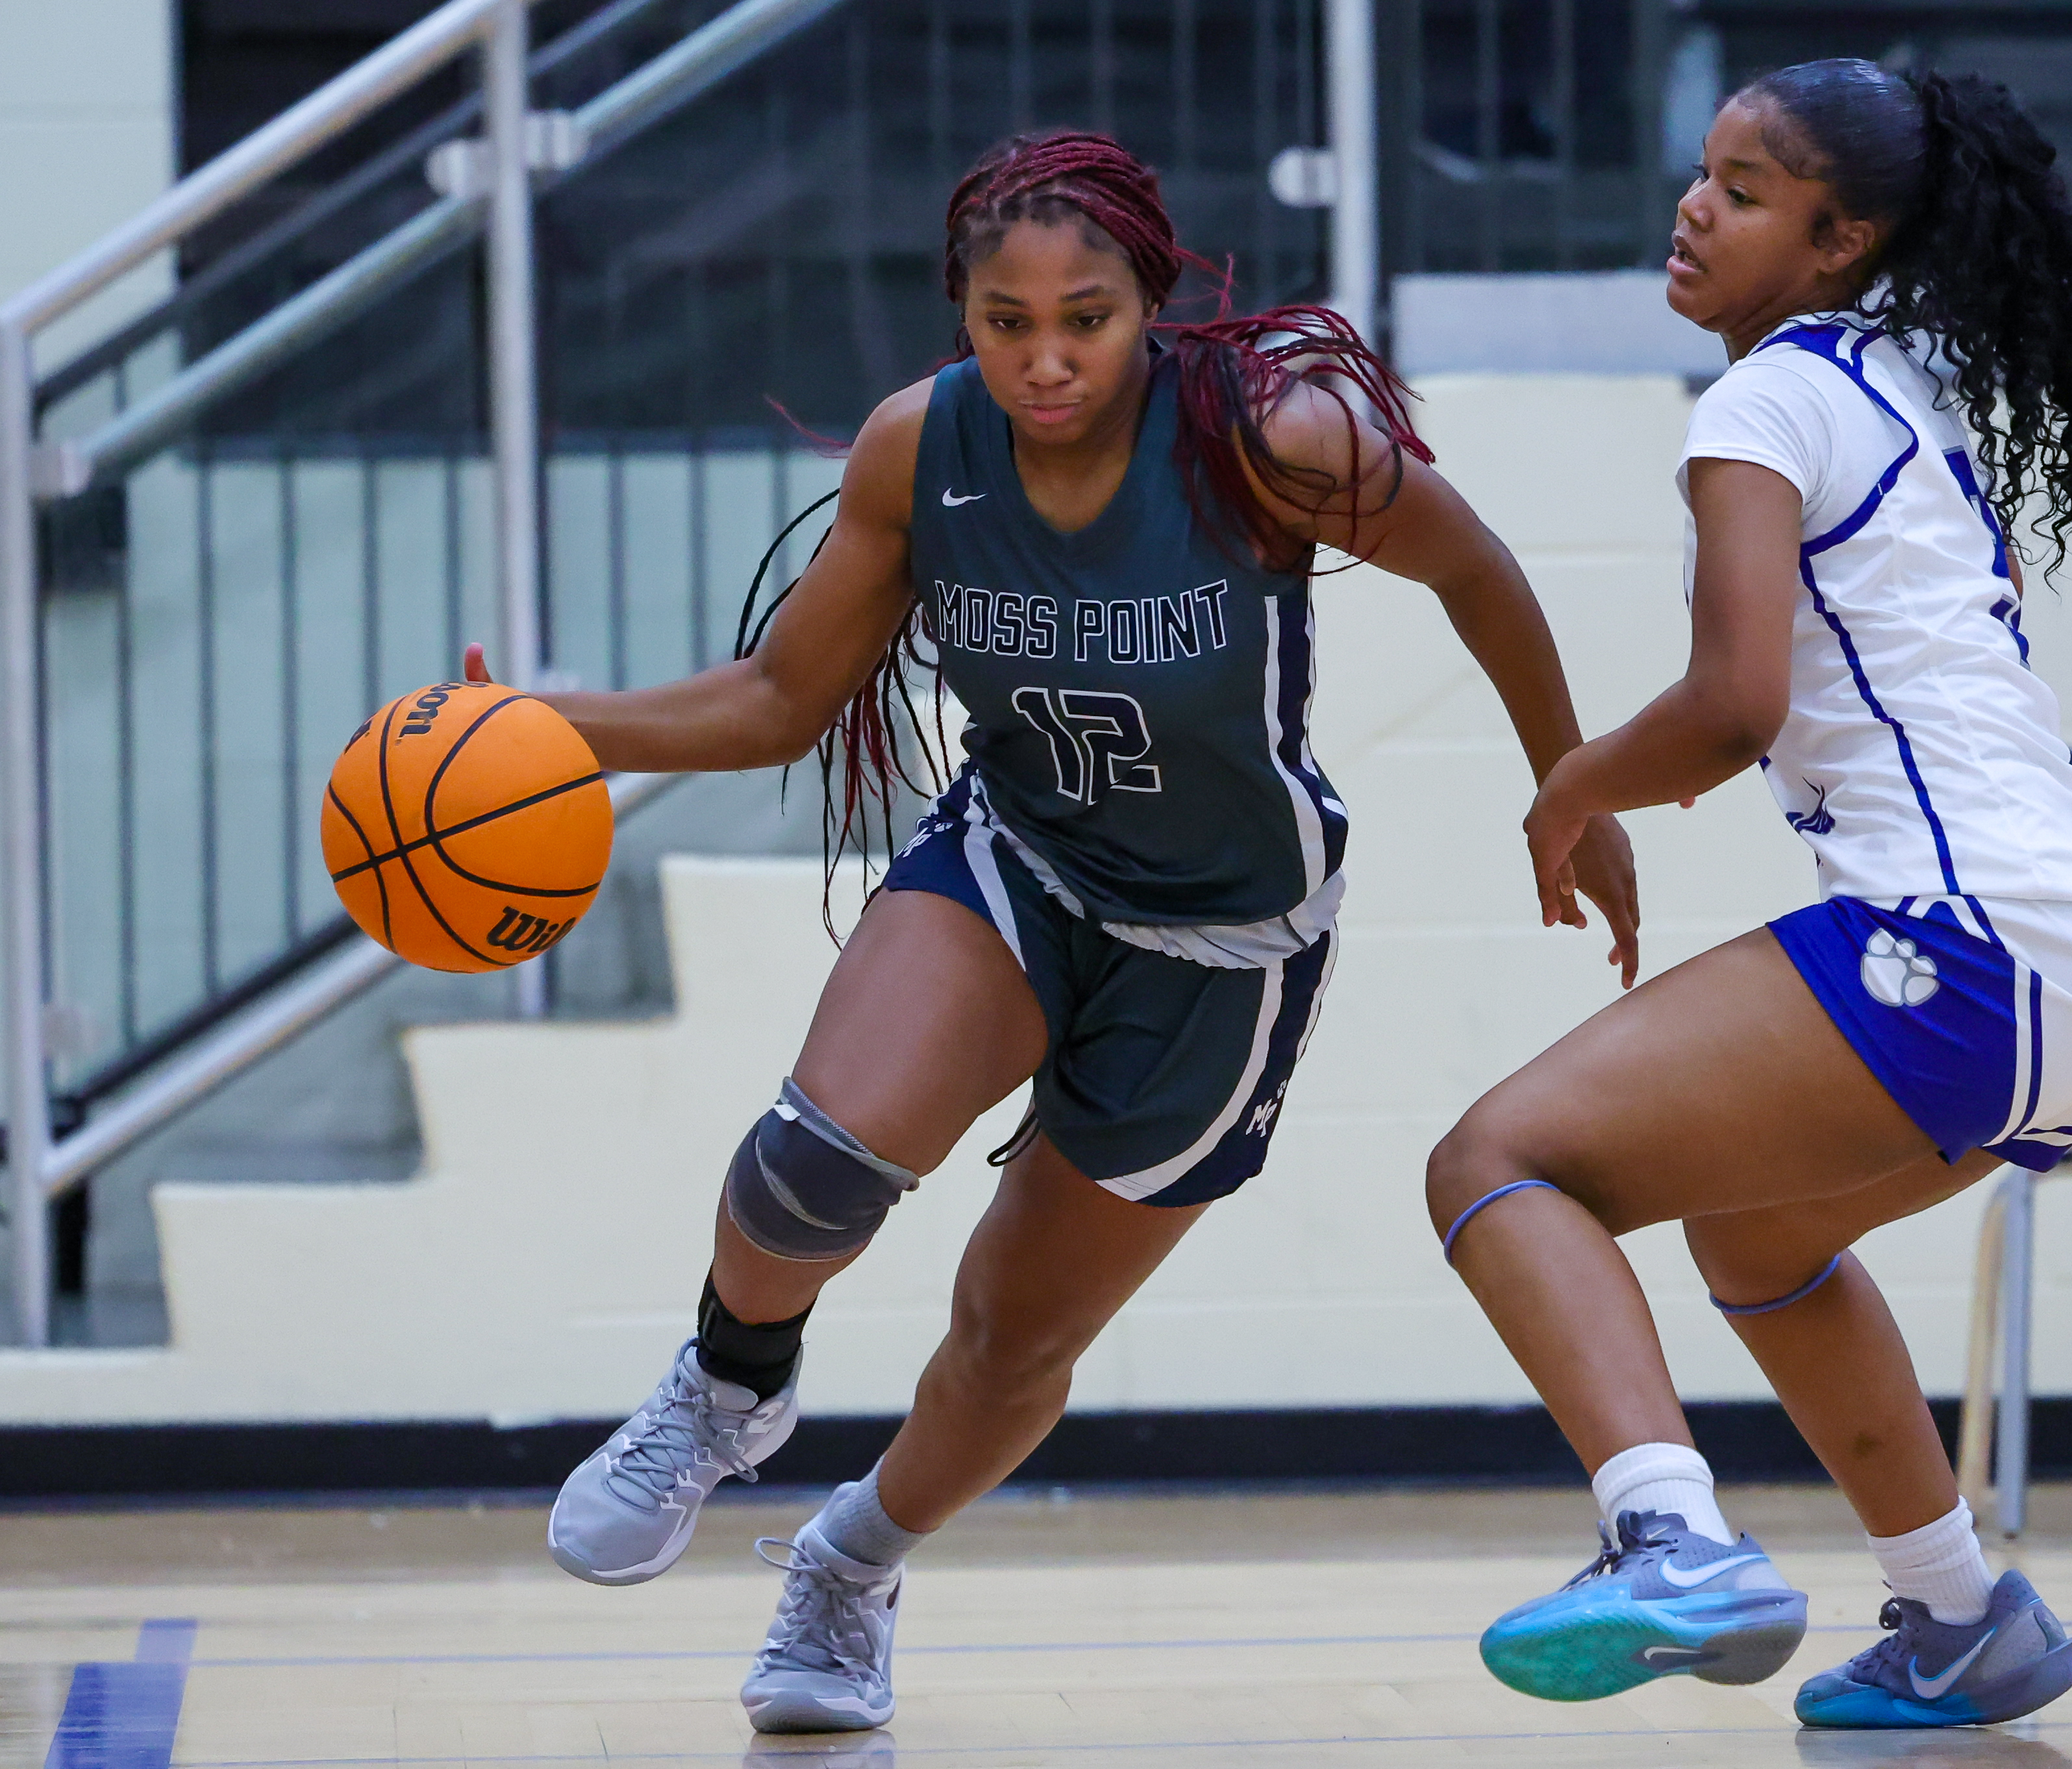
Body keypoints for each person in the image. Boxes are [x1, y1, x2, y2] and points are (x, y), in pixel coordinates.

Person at [469, 131, 1637, 1735]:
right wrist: (548, 722)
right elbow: (774, 701)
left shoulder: (1272, 444)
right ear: (960, 314)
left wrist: (1570, 789)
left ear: (1150, 303)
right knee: (811, 1159)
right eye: (1005, 321)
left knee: (1008, 1340)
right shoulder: (918, 450)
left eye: (1082, 317)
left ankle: (847, 1566)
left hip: (1223, 953)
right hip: (1020, 859)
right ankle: (726, 1387)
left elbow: (1481, 571)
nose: (1043, 357)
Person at [1423, 60, 2072, 1729]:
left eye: (1745, 192)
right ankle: (1960, 1613)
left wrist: (1572, 784)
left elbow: (1733, 700)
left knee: (1495, 1163)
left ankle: (1665, 1540)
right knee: (1760, 1237)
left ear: (1838, 242)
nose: (1693, 207)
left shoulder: (1758, 406)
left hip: (1971, 938)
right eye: (1700, 174)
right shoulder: (1904, 384)